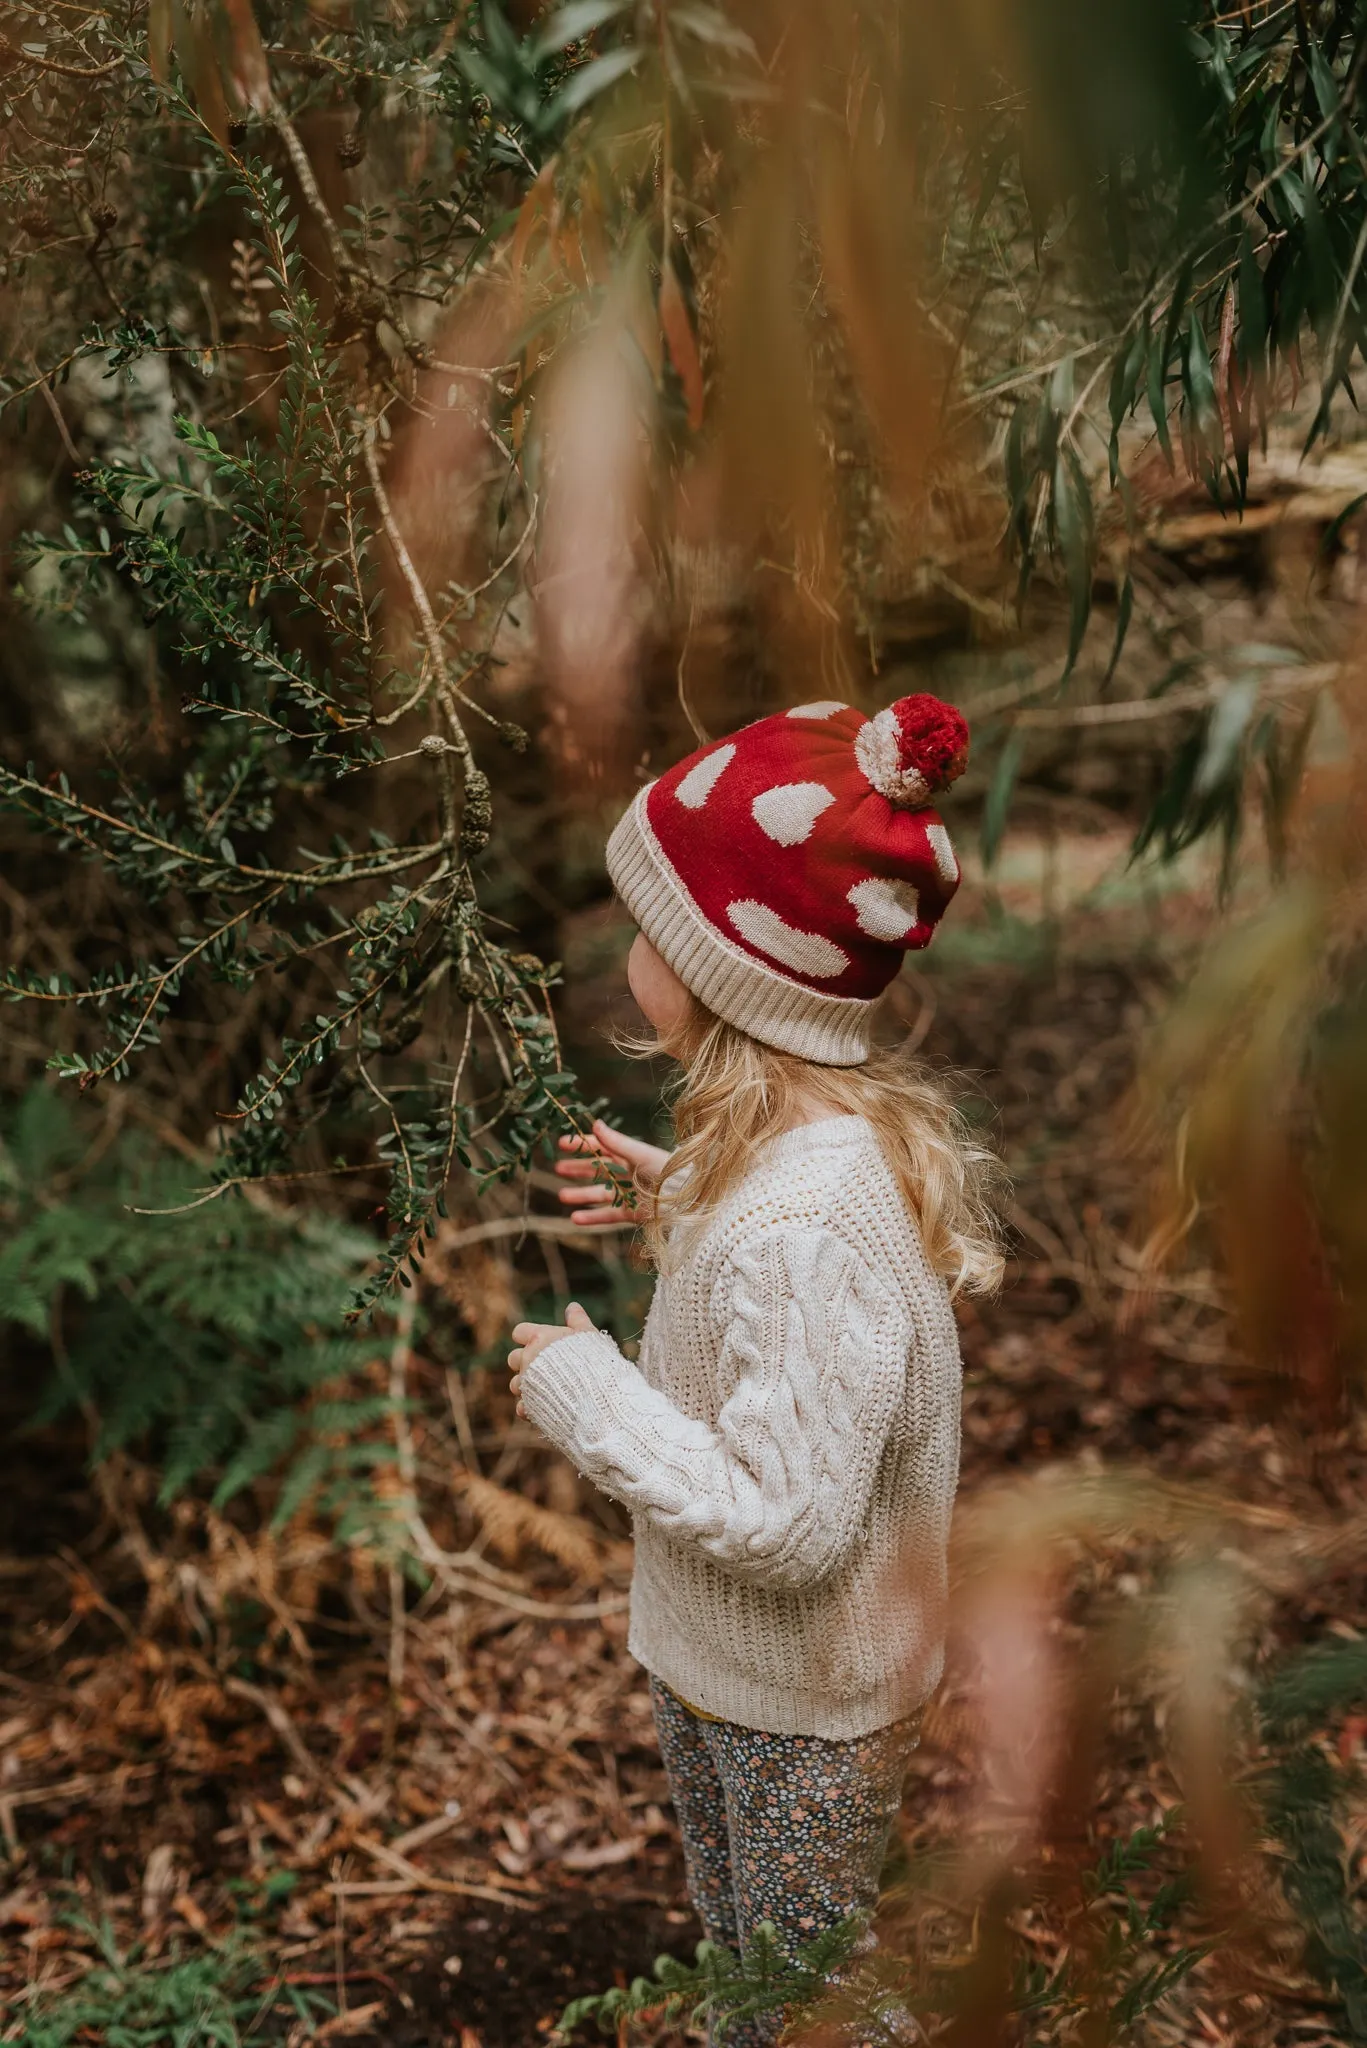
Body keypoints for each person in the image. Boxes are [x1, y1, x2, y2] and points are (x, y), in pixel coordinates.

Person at [505, 695, 1003, 2045]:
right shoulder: (795, 1166)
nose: (628, 948)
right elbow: (795, 1324)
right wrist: (687, 1206)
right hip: (732, 1668)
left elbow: (785, 1521)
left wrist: (585, 1387)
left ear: (728, 968)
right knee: (755, 1981)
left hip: (797, 1701)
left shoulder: (800, 1225)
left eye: (649, 925)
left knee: (806, 2007)